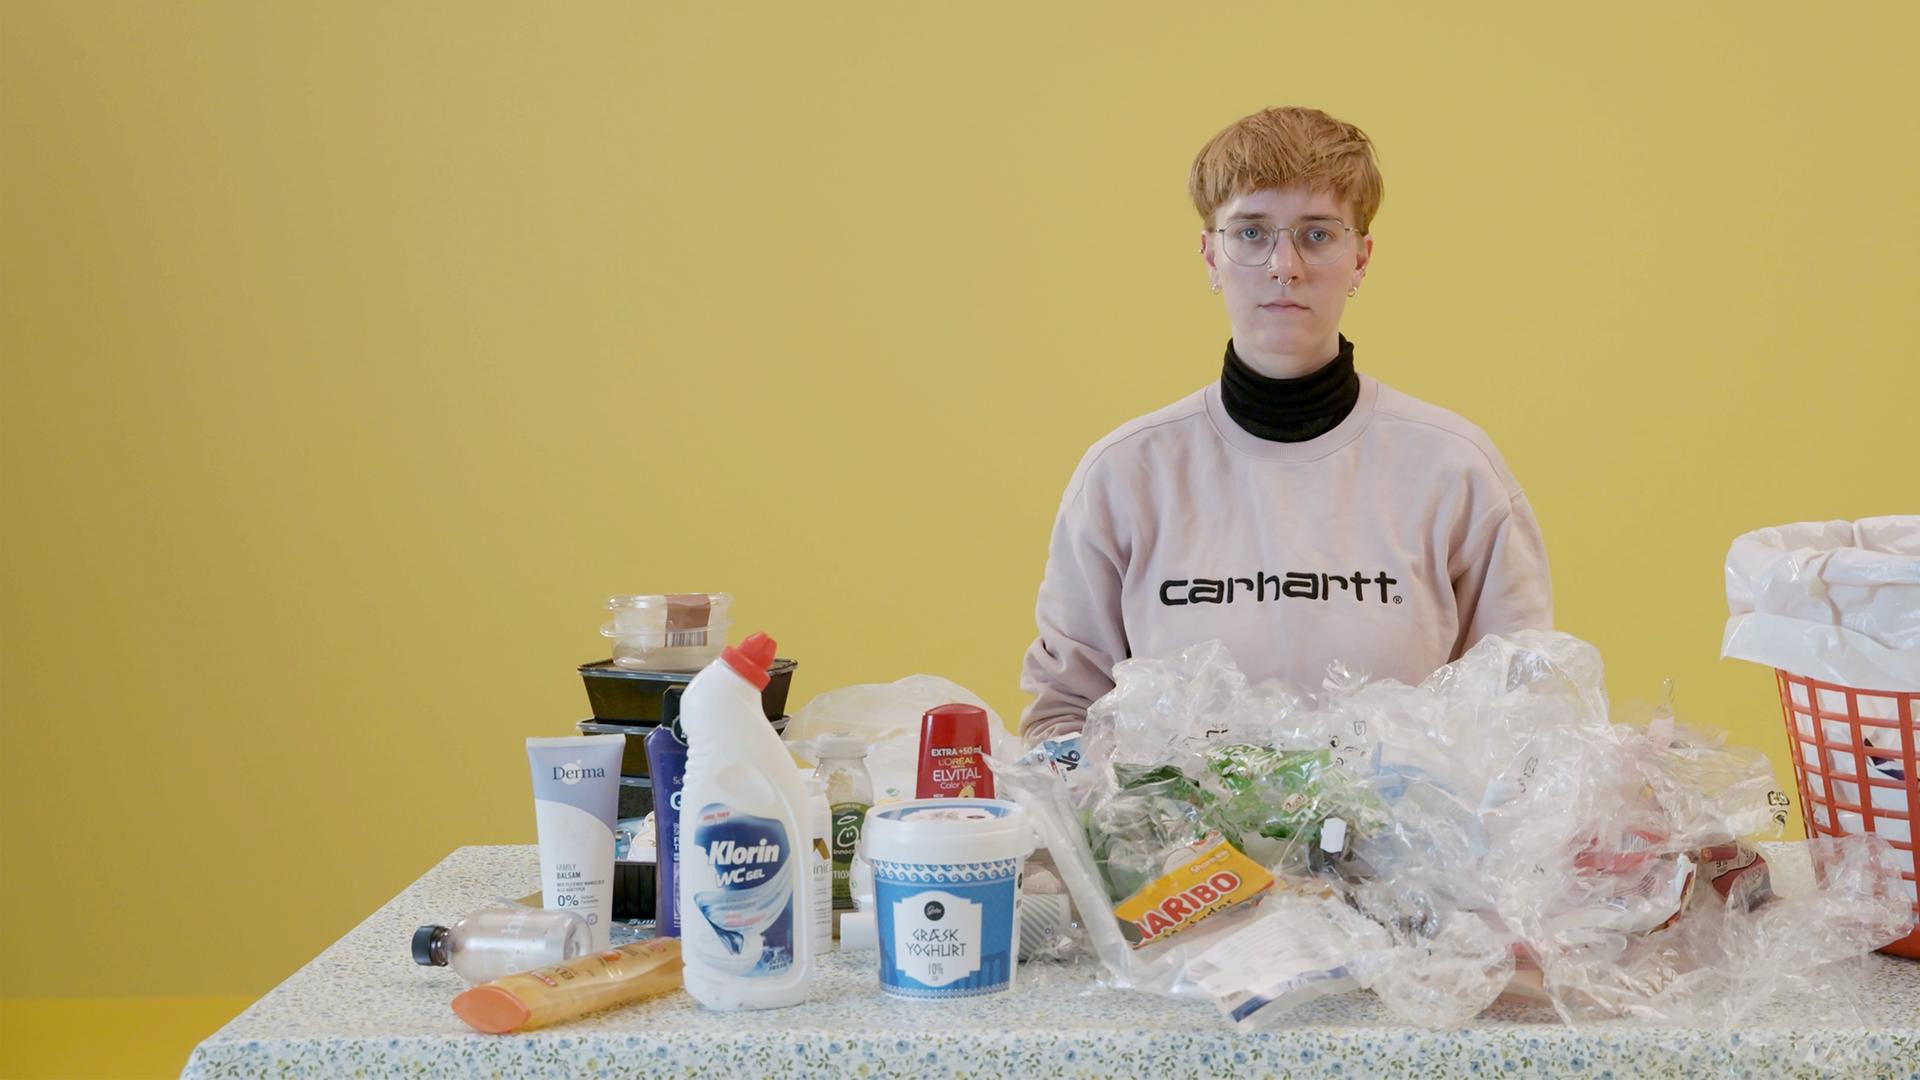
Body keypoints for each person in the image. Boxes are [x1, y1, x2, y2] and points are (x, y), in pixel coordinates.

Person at [1019, 106, 1552, 741]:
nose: (1284, 266)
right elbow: (1062, 716)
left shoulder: (1454, 470)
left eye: (1318, 234)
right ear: (1210, 257)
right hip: (1178, 846)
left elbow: (1528, 719)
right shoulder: (1126, 475)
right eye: (1250, 233)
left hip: (1407, 843)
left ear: (1360, 259)